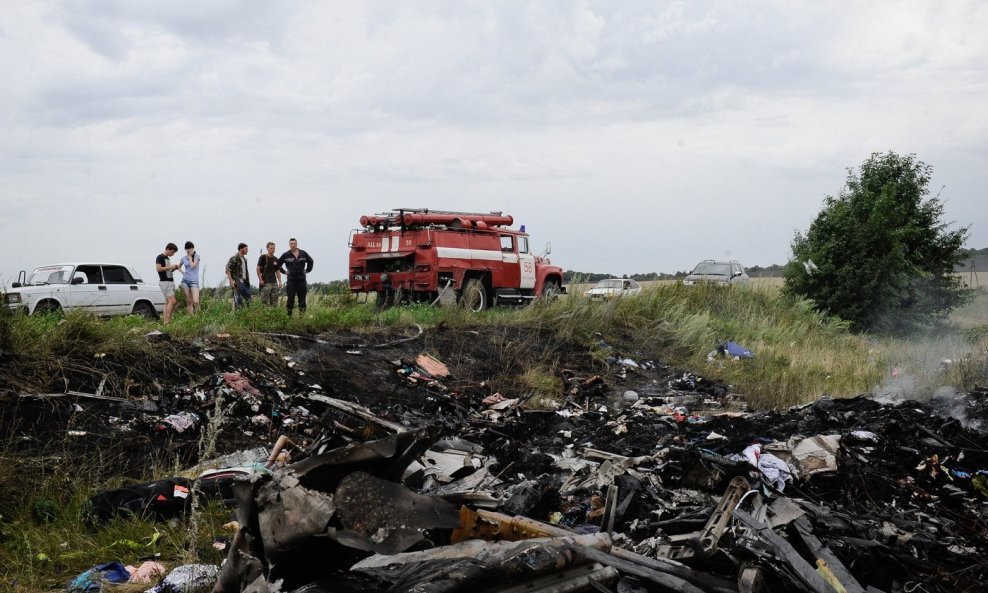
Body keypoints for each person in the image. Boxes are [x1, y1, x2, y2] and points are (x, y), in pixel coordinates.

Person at [277, 237, 314, 315]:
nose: (293, 245)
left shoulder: (303, 253)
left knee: (302, 299)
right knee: (290, 299)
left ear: (297, 244)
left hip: (301, 280)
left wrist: (307, 270)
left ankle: (302, 318)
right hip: (291, 280)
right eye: (291, 244)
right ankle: (289, 317)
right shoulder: (286, 255)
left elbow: (311, 261)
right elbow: (278, 264)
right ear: (289, 245)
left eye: (294, 243)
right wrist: (284, 272)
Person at [155, 243, 180, 325]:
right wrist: (170, 267)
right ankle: (167, 320)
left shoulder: (167, 259)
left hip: (170, 281)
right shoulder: (160, 257)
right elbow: (158, 269)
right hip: (165, 282)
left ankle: (166, 321)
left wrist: (174, 269)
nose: (173, 254)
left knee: (167, 302)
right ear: (168, 249)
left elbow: (167, 271)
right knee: (172, 301)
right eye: (172, 252)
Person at [225, 243, 252, 310]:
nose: (247, 250)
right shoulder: (234, 258)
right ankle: (239, 316)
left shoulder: (244, 259)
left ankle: (249, 315)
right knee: (238, 301)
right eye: (246, 249)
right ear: (241, 249)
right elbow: (228, 270)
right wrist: (231, 281)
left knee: (249, 299)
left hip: (245, 282)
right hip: (237, 282)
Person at [256, 241, 283, 306]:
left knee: (274, 303)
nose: (272, 250)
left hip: (274, 282)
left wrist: (280, 282)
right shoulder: (263, 257)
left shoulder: (276, 259)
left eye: (273, 248)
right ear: (267, 248)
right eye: (271, 248)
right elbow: (258, 269)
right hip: (265, 282)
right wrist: (260, 280)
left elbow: (277, 271)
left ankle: (273, 315)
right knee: (264, 302)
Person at [178, 241, 201, 314]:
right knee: (188, 301)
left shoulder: (197, 256)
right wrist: (183, 273)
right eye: (188, 248)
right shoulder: (183, 258)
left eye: (191, 248)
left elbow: (192, 265)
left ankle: (198, 317)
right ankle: (191, 318)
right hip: (185, 281)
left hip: (194, 281)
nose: (189, 250)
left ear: (193, 248)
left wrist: (191, 256)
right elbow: (178, 266)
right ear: (185, 249)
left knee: (196, 301)